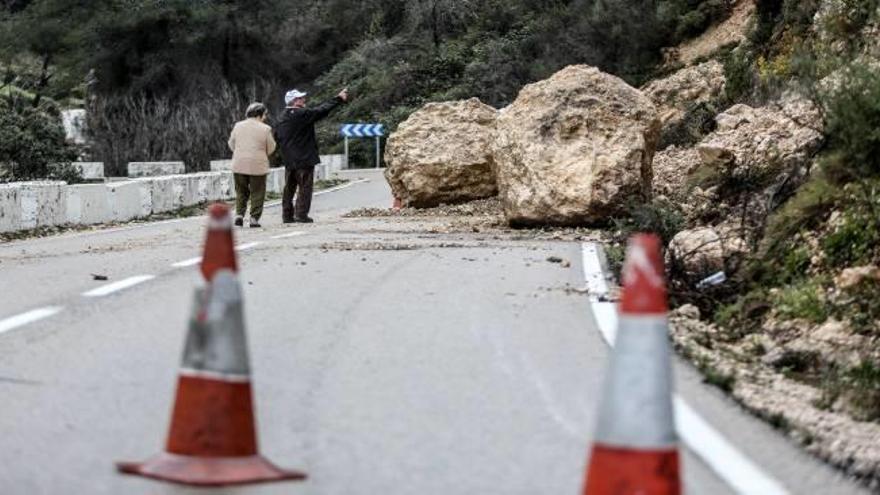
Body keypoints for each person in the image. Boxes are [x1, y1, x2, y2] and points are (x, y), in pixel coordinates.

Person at [274, 87, 348, 223]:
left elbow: (277, 138)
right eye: (301, 98)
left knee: (289, 188)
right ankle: (301, 214)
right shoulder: (302, 114)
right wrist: (338, 99)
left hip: (289, 159)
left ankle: (287, 215)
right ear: (295, 101)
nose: (304, 100)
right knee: (305, 187)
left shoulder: (281, 117)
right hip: (304, 157)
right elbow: (321, 110)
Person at [228, 102, 276, 228]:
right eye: (264, 114)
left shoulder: (238, 126)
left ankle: (239, 215)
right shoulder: (265, 129)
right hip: (258, 165)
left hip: (239, 163)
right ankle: (254, 218)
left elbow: (231, 144)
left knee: (241, 191)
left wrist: (240, 152)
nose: (265, 117)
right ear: (259, 115)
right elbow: (271, 147)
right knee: (258, 192)